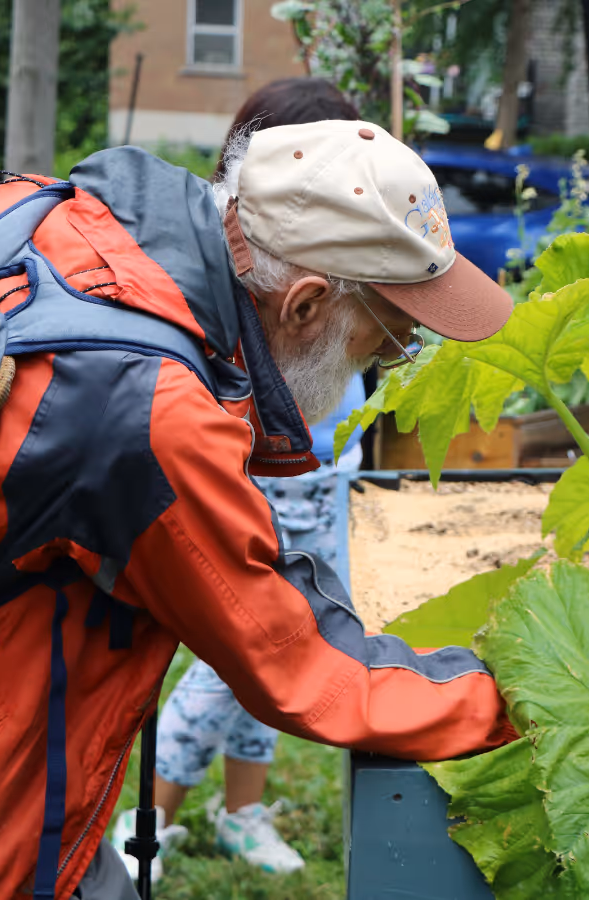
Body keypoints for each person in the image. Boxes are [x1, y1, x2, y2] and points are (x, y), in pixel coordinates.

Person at [0, 115, 514, 900]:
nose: (383, 365)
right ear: (305, 304)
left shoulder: (55, 215)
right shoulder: (148, 408)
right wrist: (522, 697)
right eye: (386, 341)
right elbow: (299, 664)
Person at [109, 78, 367, 881]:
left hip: (330, 478)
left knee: (298, 638)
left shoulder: (346, 235)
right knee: (245, 657)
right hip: (275, 477)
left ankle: (244, 808)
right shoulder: (261, 251)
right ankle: (145, 818)